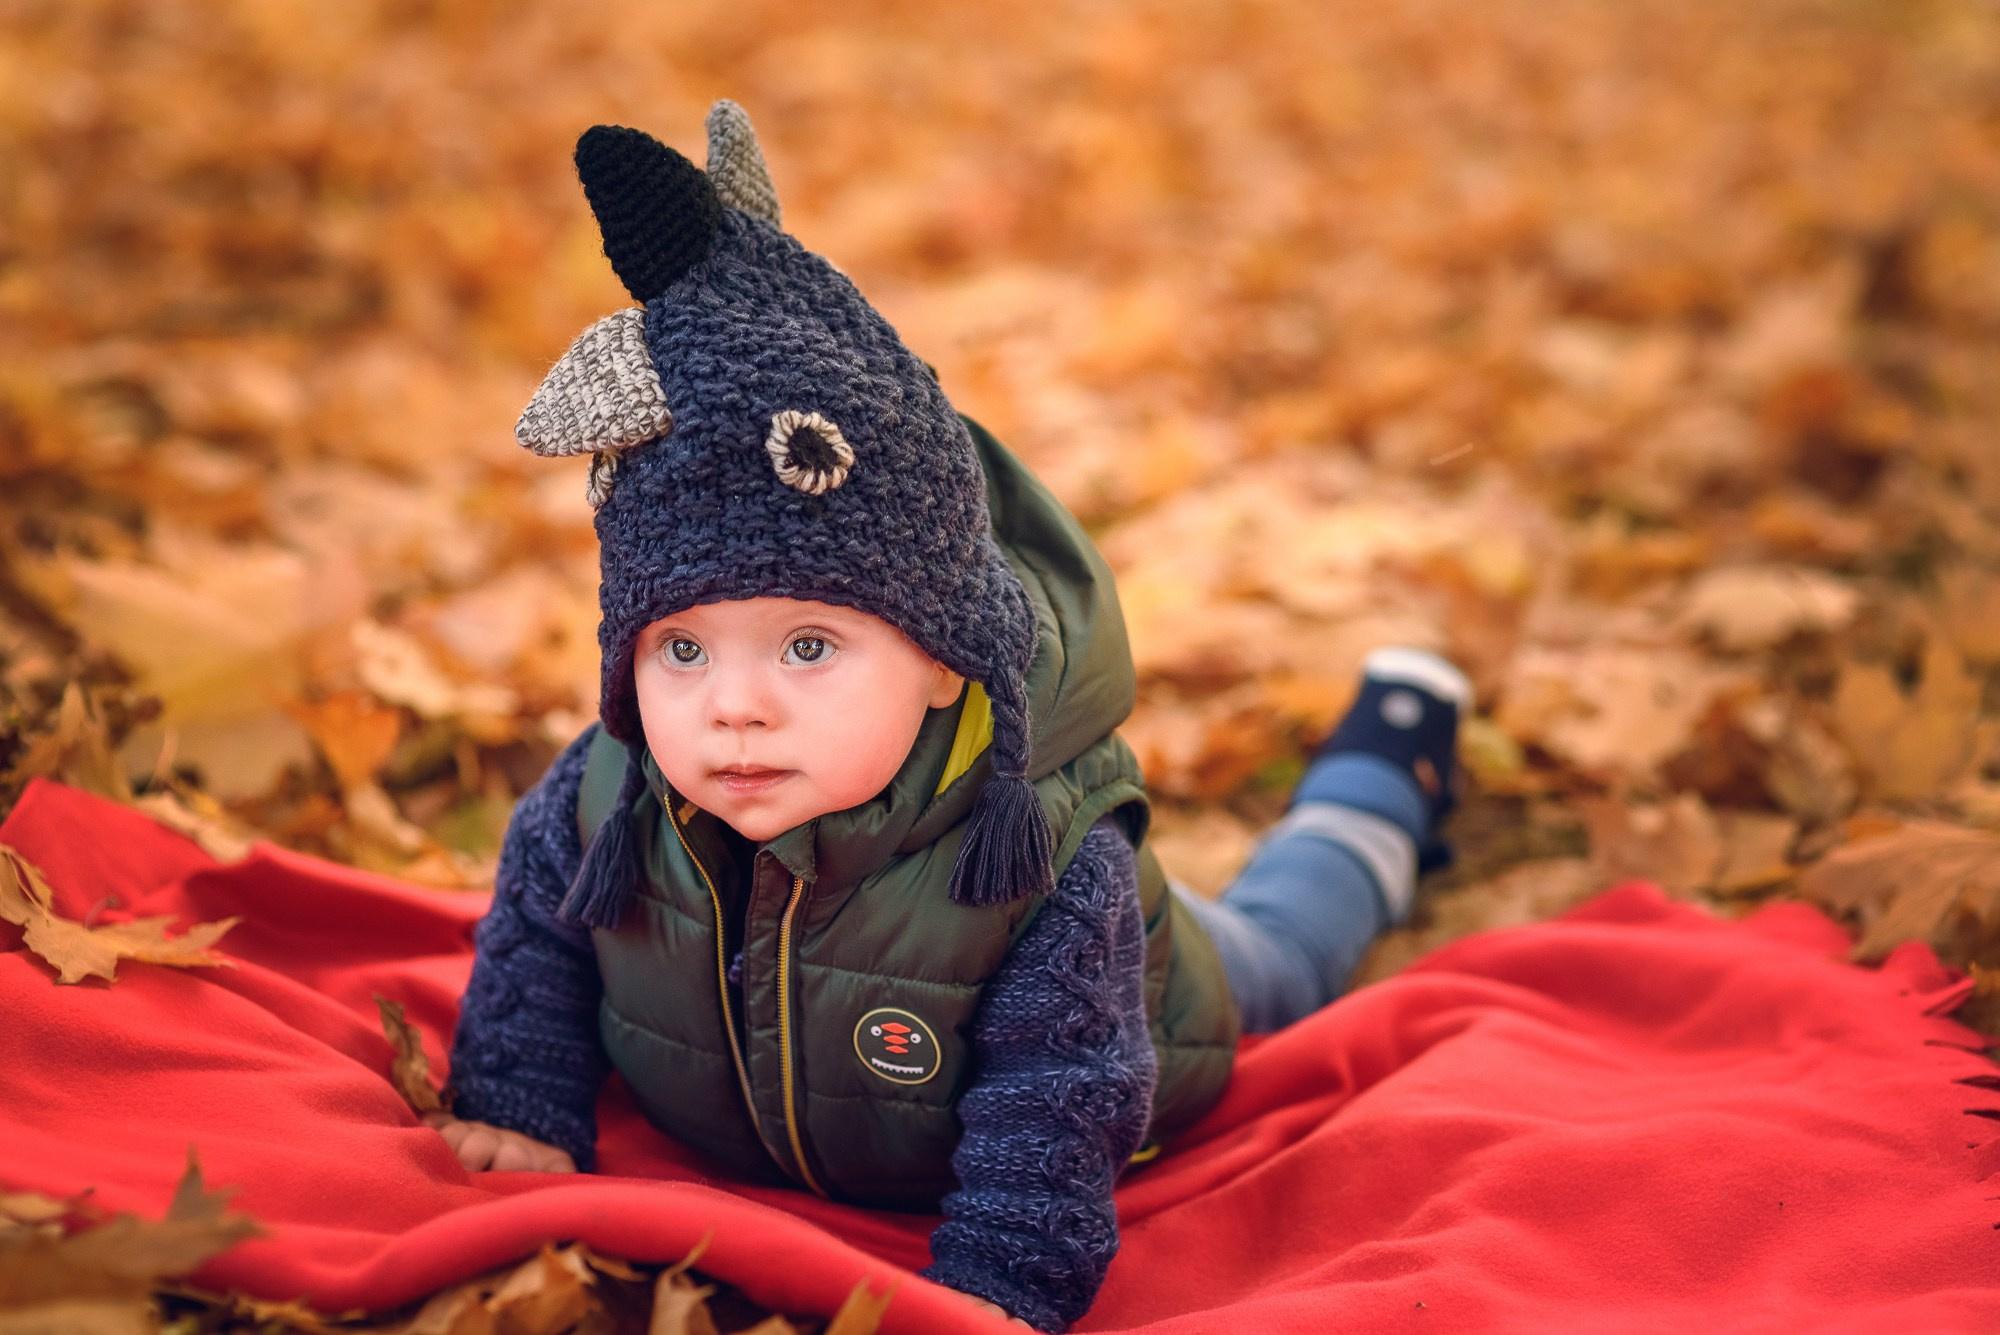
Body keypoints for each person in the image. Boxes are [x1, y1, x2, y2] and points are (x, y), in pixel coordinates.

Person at [434, 103, 1469, 1334]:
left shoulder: (1039, 871)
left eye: (808, 647)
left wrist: (995, 1289)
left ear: (941, 664)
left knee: (1284, 939)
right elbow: (535, 944)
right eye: (681, 649)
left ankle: (1386, 768)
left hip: (1153, 1010)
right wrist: (517, 1100)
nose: (736, 705)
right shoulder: (605, 800)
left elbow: (1060, 1100)